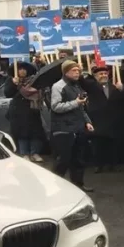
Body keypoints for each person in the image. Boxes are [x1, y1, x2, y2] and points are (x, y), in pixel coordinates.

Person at [49, 61, 94, 191]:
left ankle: (78, 185)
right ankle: (56, 186)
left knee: (79, 159)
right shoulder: (58, 86)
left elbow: (81, 108)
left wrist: (87, 121)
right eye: (74, 70)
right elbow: (55, 106)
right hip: (63, 129)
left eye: (78, 71)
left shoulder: (77, 86)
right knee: (63, 160)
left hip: (78, 127)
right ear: (66, 72)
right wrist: (75, 102)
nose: (77, 73)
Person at [84, 65, 124, 172]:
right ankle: (99, 165)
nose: (103, 76)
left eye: (105, 74)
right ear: (95, 76)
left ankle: (112, 164)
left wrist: (121, 90)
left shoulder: (114, 87)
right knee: (98, 144)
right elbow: (84, 82)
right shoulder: (92, 87)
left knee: (112, 144)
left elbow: (122, 101)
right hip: (97, 119)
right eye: (100, 74)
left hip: (112, 120)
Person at [3, 62, 45, 161]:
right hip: (18, 111)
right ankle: (24, 153)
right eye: (20, 69)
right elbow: (7, 93)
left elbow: (39, 91)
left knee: (36, 133)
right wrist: (14, 84)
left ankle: (35, 153)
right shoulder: (11, 80)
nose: (22, 71)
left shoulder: (33, 80)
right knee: (21, 133)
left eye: (24, 69)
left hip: (33, 109)